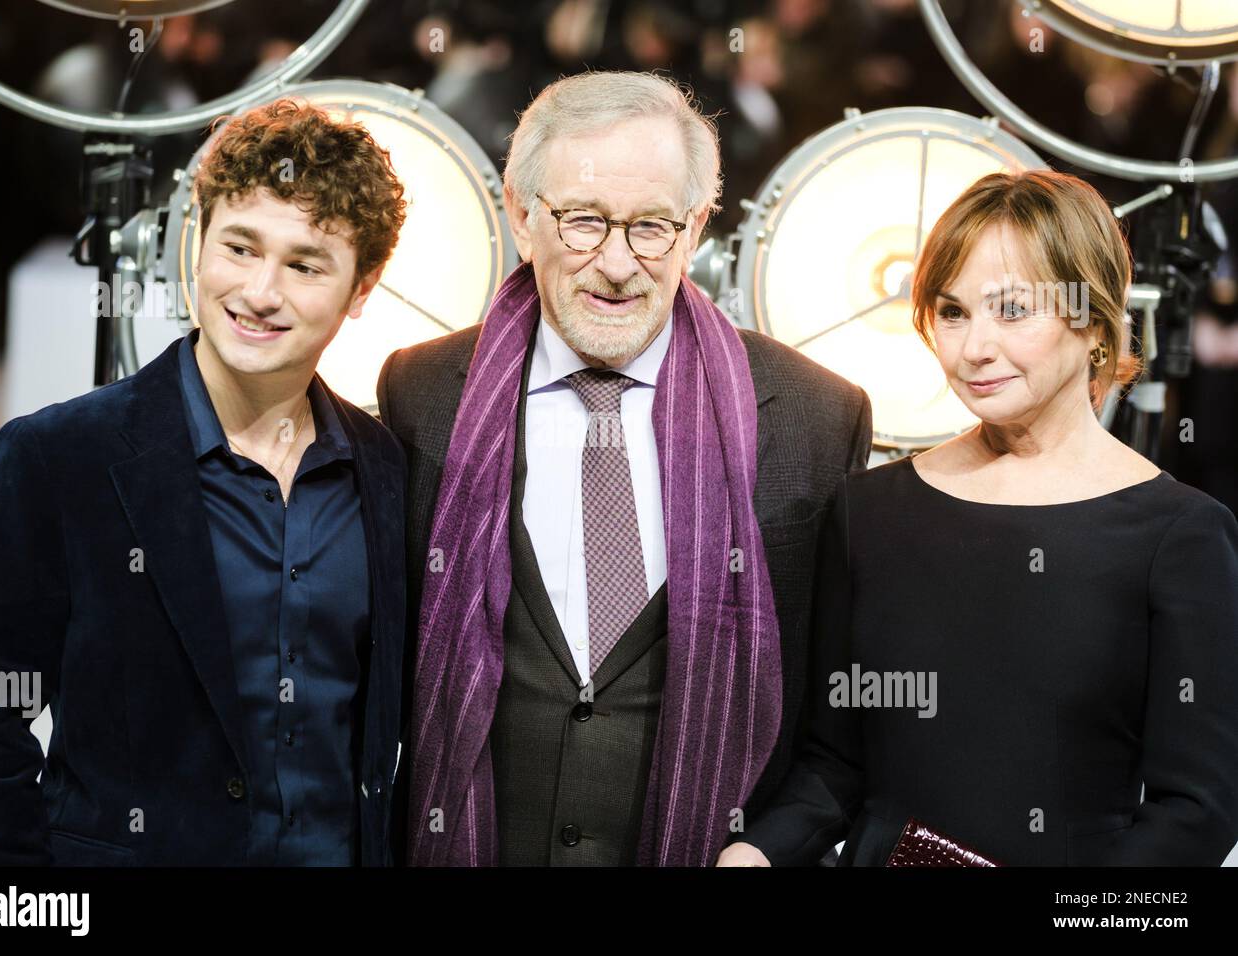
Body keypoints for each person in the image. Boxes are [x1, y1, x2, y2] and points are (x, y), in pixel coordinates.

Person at [376, 70, 872, 867]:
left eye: (651, 226)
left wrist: (767, 854)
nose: (616, 262)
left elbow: (841, 737)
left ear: (699, 226)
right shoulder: (420, 392)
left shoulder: (817, 416)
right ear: (521, 215)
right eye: (582, 222)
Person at [719, 169, 1238, 866]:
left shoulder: (1181, 535)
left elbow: (1196, 814)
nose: (973, 348)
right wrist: (755, 851)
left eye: (1012, 310)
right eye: (953, 311)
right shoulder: (872, 509)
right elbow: (835, 766)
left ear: (1092, 320)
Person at [0, 98, 409, 866]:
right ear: (195, 242)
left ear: (361, 290)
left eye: (304, 264)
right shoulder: (57, 458)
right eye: (239, 247)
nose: (260, 291)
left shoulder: (382, 465)